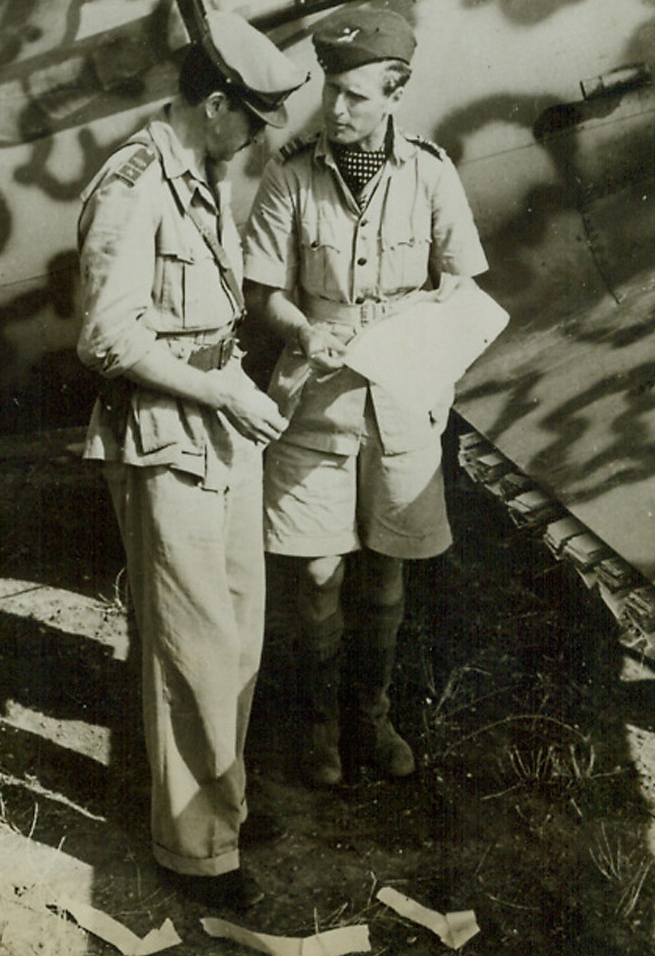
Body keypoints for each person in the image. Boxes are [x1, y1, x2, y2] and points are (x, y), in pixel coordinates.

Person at [76, 11, 306, 909]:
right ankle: (198, 849)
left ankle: (223, 801)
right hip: (169, 432)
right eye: (251, 122)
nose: (255, 141)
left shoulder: (197, 172)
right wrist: (223, 394)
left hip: (220, 418)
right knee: (193, 645)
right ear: (215, 106)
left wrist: (234, 392)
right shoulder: (133, 184)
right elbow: (105, 337)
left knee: (239, 628)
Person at [242, 3, 489, 788]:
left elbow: (462, 279)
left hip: (400, 398)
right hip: (316, 400)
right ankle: (316, 727)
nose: (336, 109)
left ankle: (370, 719)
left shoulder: (429, 169)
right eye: (331, 92)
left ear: (395, 90)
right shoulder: (290, 171)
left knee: (386, 574)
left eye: (355, 95)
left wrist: (430, 336)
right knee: (317, 578)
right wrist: (305, 333)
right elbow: (261, 292)